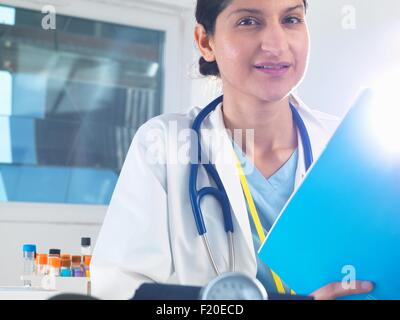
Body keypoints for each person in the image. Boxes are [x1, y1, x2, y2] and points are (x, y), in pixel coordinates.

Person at [91, 0, 374, 300]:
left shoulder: (352, 145)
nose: (277, 44)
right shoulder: (165, 144)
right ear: (205, 41)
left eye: (291, 19)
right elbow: (118, 292)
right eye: (249, 21)